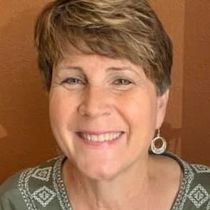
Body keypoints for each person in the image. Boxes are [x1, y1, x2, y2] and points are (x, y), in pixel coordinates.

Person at [1, 0, 210, 209]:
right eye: (73, 80)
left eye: (121, 81)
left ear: (160, 104)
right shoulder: (14, 201)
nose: (93, 107)